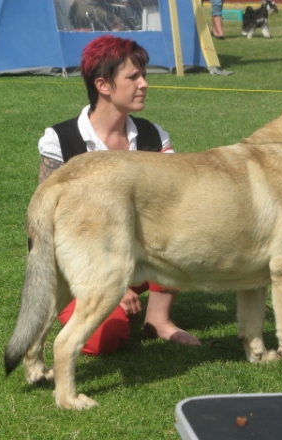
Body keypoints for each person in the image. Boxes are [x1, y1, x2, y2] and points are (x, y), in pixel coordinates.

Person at [37, 35, 202, 355]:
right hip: (80, 265)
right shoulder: (60, 139)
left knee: (179, 224)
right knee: (106, 340)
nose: (144, 84)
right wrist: (112, 278)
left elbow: (177, 202)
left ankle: (159, 318)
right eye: (133, 77)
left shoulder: (152, 135)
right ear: (103, 85)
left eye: (144, 76)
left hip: (143, 253)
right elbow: (50, 225)